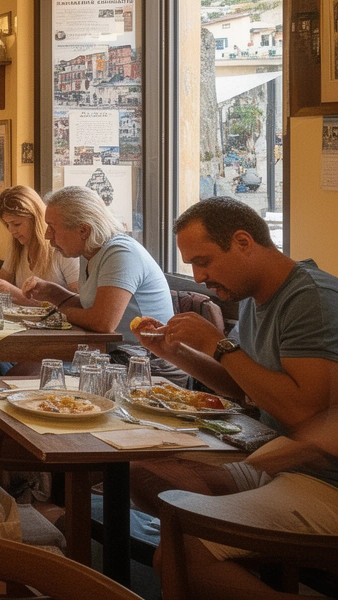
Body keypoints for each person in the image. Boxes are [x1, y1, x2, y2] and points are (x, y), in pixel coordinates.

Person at [121, 198, 338, 597]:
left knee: (179, 550)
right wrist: (175, 353)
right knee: (146, 474)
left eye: (203, 261)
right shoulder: (258, 296)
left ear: (243, 242)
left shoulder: (310, 299)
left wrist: (219, 345)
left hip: (322, 477)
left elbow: (305, 411)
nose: (199, 277)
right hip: (281, 462)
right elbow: (246, 389)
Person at [22, 186, 175, 349]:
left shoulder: (121, 253)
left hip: (145, 360)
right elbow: (91, 309)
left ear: (83, 230)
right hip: (111, 352)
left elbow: (102, 322)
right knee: (28, 362)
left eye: (52, 227)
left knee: (34, 367)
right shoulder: (88, 252)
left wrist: (58, 313)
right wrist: (54, 294)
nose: (47, 235)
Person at [0, 185, 79, 304]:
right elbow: (1, 282)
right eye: (7, 225)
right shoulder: (17, 248)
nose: (11, 231)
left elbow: (78, 303)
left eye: (16, 224)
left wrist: (17, 295)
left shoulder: (63, 250)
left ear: (35, 219)